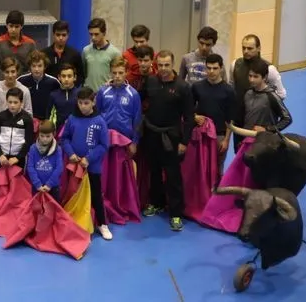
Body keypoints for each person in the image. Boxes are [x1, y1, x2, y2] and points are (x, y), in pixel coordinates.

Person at [140, 50, 194, 232]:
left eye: (167, 65)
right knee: (154, 171)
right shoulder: (151, 81)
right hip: (152, 134)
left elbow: (189, 117)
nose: (163, 69)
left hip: (172, 137)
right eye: (160, 65)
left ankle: (176, 213)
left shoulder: (183, 87)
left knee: (173, 176)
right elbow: (137, 98)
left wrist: (184, 142)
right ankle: (157, 203)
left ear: (172, 64)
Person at [60, 87, 112, 240]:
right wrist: (71, 154)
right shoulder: (72, 119)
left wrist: (89, 158)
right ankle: (74, 221)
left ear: (93, 102)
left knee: (96, 195)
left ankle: (102, 224)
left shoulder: (100, 121)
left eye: (86, 103)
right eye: (80, 103)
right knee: (72, 193)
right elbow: (65, 139)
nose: (83, 106)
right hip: (74, 166)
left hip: (92, 167)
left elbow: (104, 145)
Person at [191, 53, 237, 174]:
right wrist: (194, 116)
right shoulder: (197, 87)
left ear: (221, 68)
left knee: (217, 169)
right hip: (200, 133)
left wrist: (226, 140)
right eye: (209, 68)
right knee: (198, 167)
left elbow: (231, 118)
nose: (211, 71)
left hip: (219, 135)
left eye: (215, 68)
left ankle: (216, 192)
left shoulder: (229, 91)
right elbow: (188, 108)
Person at [239, 57, 292, 140]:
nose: (251, 80)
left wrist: (267, 129)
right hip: (247, 140)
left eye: (255, 77)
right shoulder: (248, 93)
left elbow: (287, 119)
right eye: (250, 76)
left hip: (265, 143)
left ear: (264, 77)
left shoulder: (271, 96)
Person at [96, 57, 141, 146]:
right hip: (105, 137)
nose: (117, 76)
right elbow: (96, 114)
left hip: (125, 138)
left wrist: (134, 143)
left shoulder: (133, 94)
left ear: (126, 72)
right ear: (110, 73)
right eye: (114, 73)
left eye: (120, 73)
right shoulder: (103, 91)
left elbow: (137, 120)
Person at [0, 88, 35, 169]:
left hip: (18, 159)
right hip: (1, 158)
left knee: (16, 181)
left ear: (21, 103)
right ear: (6, 101)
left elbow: (29, 141)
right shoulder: (0, 117)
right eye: (10, 102)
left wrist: (18, 157)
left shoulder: (27, 119)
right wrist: (0, 154)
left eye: (15, 102)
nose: (12, 105)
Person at [230, 34, 287, 99]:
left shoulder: (270, 69)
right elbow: (231, 86)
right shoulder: (235, 64)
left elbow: (281, 94)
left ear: (258, 48)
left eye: (250, 48)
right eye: (243, 48)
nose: (245, 51)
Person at [0, 10, 37, 79]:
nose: (13, 29)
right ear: (7, 25)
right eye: (11, 26)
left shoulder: (30, 43)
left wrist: (21, 81)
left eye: (16, 27)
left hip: (24, 83)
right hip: (2, 83)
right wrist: (7, 81)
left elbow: (33, 66)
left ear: (21, 27)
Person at [18, 50, 60, 122]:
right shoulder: (21, 81)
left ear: (45, 66)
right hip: (26, 121)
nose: (36, 69)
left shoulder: (54, 82)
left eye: (40, 66)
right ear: (29, 67)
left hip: (46, 122)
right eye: (34, 66)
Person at [26, 120, 63, 201]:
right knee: (37, 209)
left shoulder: (58, 149)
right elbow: (30, 167)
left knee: (53, 209)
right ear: (38, 134)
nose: (44, 139)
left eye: (48, 136)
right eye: (42, 136)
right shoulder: (33, 148)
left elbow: (59, 168)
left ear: (54, 134)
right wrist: (37, 184)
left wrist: (49, 184)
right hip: (37, 187)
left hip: (53, 186)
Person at [82, 18, 122, 91]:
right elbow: (84, 73)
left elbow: (118, 75)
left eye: (96, 34)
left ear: (104, 33)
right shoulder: (86, 50)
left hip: (107, 93)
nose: (93, 37)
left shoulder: (115, 52)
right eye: (91, 34)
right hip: (89, 95)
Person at [42, 20, 85, 86]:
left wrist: (72, 88)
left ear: (68, 35)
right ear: (53, 35)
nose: (61, 38)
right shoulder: (44, 54)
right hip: (49, 92)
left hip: (69, 92)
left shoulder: (75, 54)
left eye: (64, 35)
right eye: (58, 35)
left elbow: (80, 76)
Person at [49, 63, 79, 133]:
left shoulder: (80, 94)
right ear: (59, 77)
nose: (66, 79)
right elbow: (49, 116)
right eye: (63, 76)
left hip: (76, 131)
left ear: (75, 77)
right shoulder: (53, 95)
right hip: (57, 132)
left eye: (69, 76)